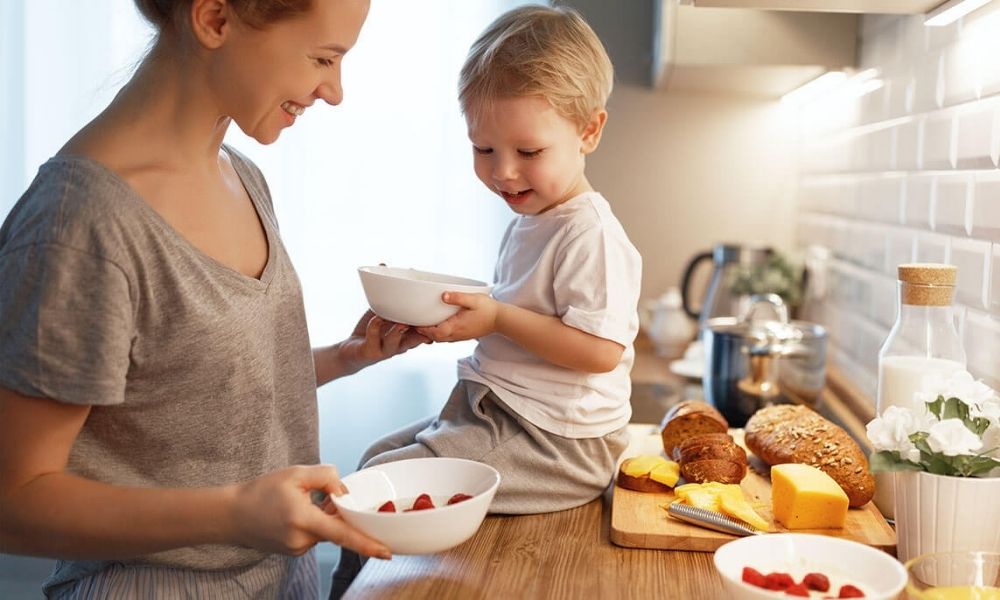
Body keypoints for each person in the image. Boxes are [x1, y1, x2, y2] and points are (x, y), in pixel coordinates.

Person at [0, 0, 429, 597]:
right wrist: (232, 514)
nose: (334, 91)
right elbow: (13, 500)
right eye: (323, 57)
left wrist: (347, 355)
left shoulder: (241, 175)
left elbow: (196, 399)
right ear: (215, 19)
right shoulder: (81, 225)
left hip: (280, 576)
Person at [330, 4, 642, 596]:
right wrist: (471, 316)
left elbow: (601, 351)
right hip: (504, 414)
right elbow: (528, 316)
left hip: (558, 444)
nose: (503, 173)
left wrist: (495, 317)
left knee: (379, 485)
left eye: (528, 152)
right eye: (484, 149)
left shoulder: (590, 232)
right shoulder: (536, 217)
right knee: (374, 459)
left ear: (589, 131)